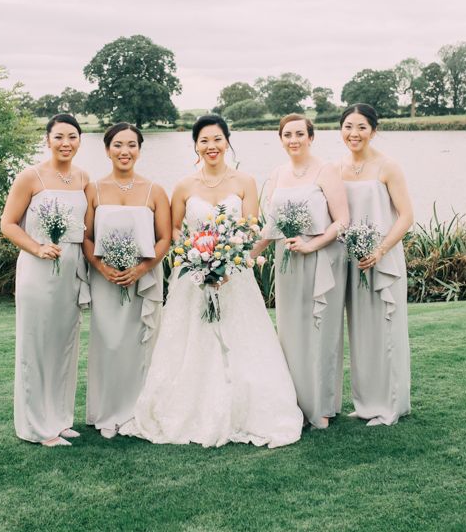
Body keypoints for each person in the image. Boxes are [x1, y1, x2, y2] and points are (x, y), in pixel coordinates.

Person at [119, 115, 303, 447]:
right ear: (196, 146)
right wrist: (197, 256)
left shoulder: (244, 181)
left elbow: (251, 228)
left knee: (243, 338)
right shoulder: (185, 185)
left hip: (235, 276)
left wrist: (228, 258)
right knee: (191, 341)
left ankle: (249, 410)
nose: (211, 146)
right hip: (193, 277)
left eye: (217, 139)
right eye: (204, 140)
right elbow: (175, 230)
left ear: (227, 142)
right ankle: (189, 408)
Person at [1, 114, 92, 447]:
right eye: (59, 137)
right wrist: (37, 247)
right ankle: (37, 427)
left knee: (64, 346)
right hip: (38, 271)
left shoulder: (83, 178)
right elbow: (8, 224)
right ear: (48, 140)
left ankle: (60, 419)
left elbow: (86, 229)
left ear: (80, 140)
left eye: (72, 137)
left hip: (71, 272)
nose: (65, 143)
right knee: (36, 347)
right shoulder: (30, 177)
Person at [254, 114, 349, 428]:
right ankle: (292, 403)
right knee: (290, 332)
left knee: (320, 331)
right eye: (286, 135)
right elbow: (270, 226)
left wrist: (313, 245)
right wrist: (245, 255)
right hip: (287, 261)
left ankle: (322, 406)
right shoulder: (277, 173)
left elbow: (342, 220)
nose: (293, 140)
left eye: (299, 134)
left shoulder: (327, 171)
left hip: (320, 259)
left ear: (311, 136)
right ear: (281, 140)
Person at [84, 123, 171, 438]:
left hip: (144, 279)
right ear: (107, 149)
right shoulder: (93, 189)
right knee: (108, 343)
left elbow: (165, 238)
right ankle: (106, 412)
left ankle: (138, 411)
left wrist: (142, 268)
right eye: (118, 145)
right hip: (105, 279)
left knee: (140, 344)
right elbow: (86, 236)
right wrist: (101, 267)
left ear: (139, 149)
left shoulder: (155, 191)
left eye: (132, 145)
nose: (125, 151)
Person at [338, 103, 413, 426]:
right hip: (353, 260)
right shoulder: (337, 169)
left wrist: (381, 250)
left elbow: (407, 216)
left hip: (384, 259)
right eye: (348, 127)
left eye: (361, 127)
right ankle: (366, 402)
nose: (354, 134)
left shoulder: (388, 166)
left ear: (373, 130)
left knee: (386, 329)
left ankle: (391, 405)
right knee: (360, 332)